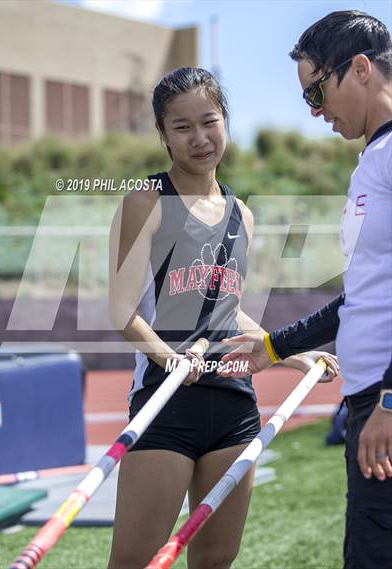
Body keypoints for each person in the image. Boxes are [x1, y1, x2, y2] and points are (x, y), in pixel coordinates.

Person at [108, 67, 338, 568]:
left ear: (226, 122)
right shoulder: (145, 202)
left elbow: (229, 315)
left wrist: (294, 354)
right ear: (163, 135)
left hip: (234, 407)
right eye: (182, 126)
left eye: (209, 121)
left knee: (215, 560)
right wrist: (170, 361)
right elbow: (122, 311)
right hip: (166, 405)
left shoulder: (242, 215)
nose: (200, 138)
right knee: (133, 561)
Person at [219, 11, 392, 569]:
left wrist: (390, 400)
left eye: (316, 90)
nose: (314, 110)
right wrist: (273, 348)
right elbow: (364, 298)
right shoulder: (373, 160)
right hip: (369, 400)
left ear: (360, 69)